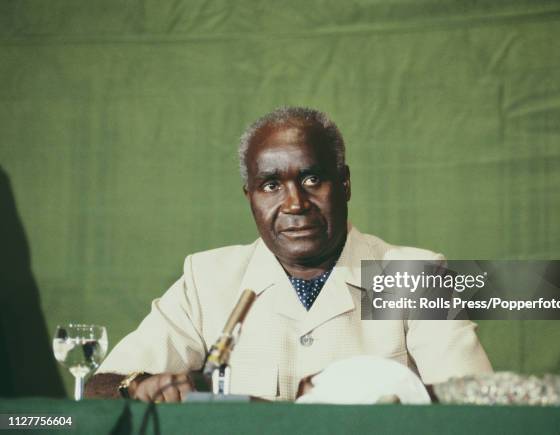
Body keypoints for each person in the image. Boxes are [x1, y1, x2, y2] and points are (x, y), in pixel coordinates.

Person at [85, 107, 492, 402]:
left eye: (313, 179)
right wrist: (137, 387)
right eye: (270, 185)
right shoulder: (206, 279)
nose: (295, 203)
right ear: (250, 197)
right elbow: (99, 386)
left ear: (345, 184)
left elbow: (476, 402)